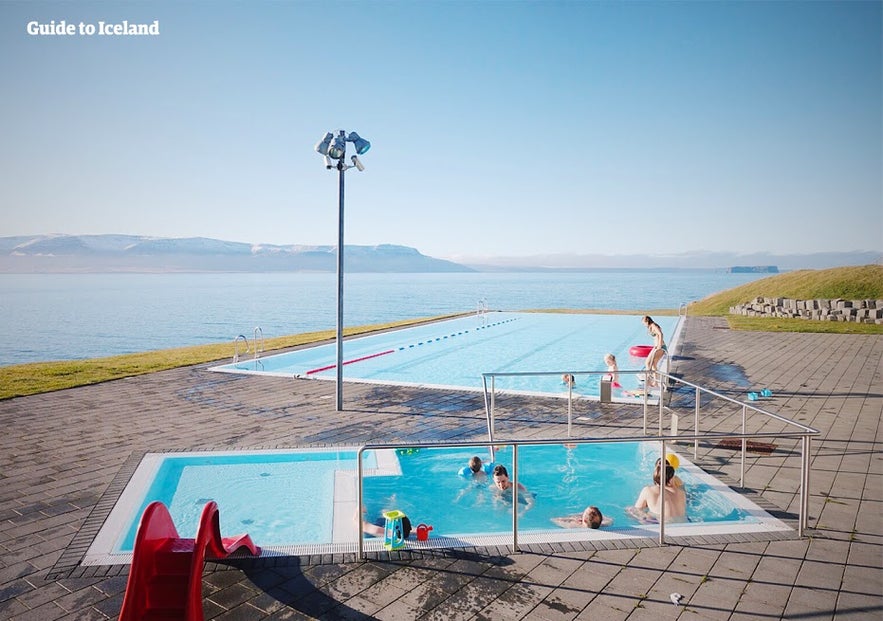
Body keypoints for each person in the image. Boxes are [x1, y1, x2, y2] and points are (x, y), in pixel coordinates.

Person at [642, 315, 667, 386]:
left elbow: (660, 334)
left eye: (644, 323)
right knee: (654, 364)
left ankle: (649, 379)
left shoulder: (654, 325)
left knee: (647, 363)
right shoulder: (651, 326)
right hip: (656, 347)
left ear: (647, 321)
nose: (644, 325)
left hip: (660, 347)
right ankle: (656, 382)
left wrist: (659, 345)